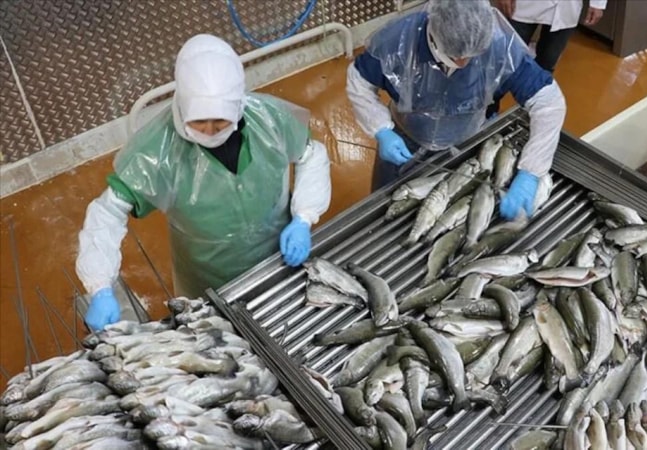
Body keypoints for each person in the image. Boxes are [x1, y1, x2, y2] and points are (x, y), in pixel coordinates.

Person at [76, 34, 331, 331]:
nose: (210, 130)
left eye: (220, 121)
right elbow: (108, 212)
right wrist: (100, 286)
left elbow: (311, 155)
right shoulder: (155, 151)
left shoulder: (269, 120)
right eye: (198, 121)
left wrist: (303, 218)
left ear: (237, 106)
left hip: (280, 254)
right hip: (209, 276)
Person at [346, 0, 566, 223]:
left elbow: (548, 102)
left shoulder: (500, 45)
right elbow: (359, 82)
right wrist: (381, 129)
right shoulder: (399, 41)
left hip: (469, 142)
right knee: (388, 209)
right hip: (405, 140)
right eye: (454, 55)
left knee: (457, 204)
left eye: (472, 56)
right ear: (433, 31)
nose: (463, 62)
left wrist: (530, 172)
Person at [495, 0, 607, 72]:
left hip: (566, 8)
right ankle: (490, 102)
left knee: (546, 64)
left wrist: (598, 4)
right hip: (522, 6)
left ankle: (535, 100)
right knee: (505, 61)